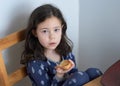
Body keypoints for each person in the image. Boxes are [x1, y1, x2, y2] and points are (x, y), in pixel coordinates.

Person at [21, 4, 102, 86]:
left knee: (94, 72)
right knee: (81, 77)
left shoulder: (64, 50)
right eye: (45, 31)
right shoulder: (35, 63)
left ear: (62, 29)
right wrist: (59, 75)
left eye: (56, 30)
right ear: (35, 32)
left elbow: (74, 74)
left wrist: (72, 69)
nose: (52, 37)